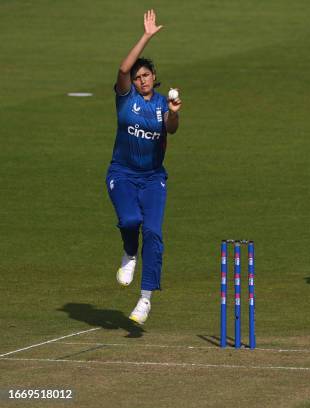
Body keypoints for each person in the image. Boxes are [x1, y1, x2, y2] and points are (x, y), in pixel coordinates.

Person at [106, 9, 182, 324]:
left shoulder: (163, 103)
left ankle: (145, 299)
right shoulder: (126, 98)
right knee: (130, 220)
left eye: (146, 75)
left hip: (153, 179)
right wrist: (146, 37)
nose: (141, 79)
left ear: (153, 76)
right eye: (137, 77)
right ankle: (129, 253)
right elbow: (123, 68)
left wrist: (175, 111)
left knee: (152, 232)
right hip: (122, 173)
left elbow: (172, 128)